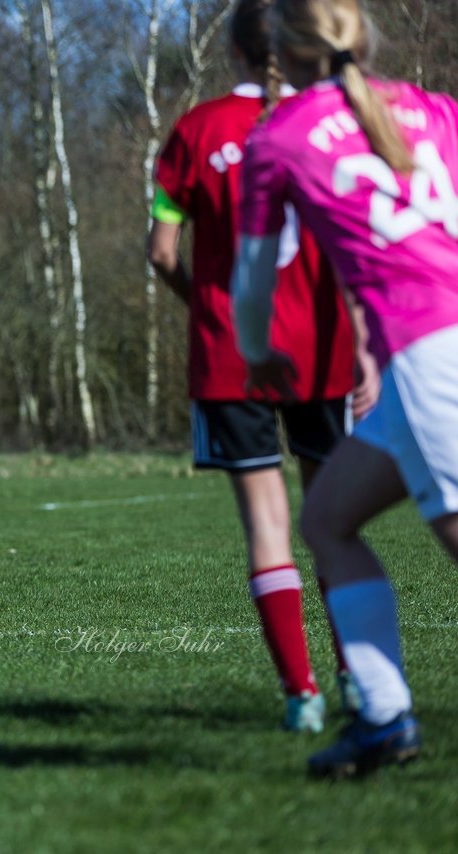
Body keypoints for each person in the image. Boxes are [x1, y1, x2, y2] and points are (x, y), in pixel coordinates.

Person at [232, 0, 458, 778]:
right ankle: (386, 718)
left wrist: (258, 353)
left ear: (283, 52)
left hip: (433, 362)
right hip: (421, 365)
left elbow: (254, 280)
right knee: (329, 518)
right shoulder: (432, 108)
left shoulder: (280, 139)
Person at [147, 0, 371, 734]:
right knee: (330, 520)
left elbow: (162, 253)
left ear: (233, 51)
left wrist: (203, 306)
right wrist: (365, 338)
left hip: (229, 353)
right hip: (320, 348)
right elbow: (356, 246)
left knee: (268, 528)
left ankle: (301, 695)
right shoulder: (330, 124)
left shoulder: (193, 131)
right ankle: (361, 682)